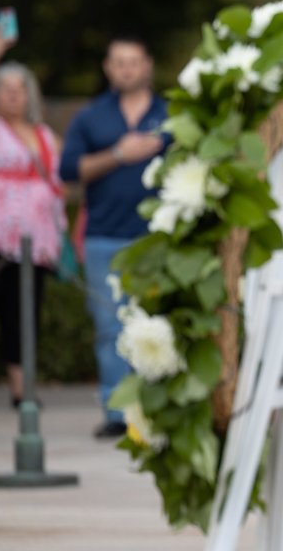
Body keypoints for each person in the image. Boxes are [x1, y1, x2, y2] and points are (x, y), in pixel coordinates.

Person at [60, 36, 167, 438]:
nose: (127, 69)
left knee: (157, 326)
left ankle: (156, 408)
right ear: (108, 68)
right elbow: (68, 171)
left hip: (157, 240)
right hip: (104, 236)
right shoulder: (91, 117)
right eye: (119, 62)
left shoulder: (169, 116)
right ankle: (117, 412)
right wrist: (119, 155)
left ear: (147, 65)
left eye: (134, 62)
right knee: (109, 328)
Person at [0, 35, 68, 409]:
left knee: (22, 312)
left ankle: (22, 389)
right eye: (4, 88)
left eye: (19, 88)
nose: (12, 95)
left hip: (34, 241)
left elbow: (62, 179)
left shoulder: (44, 136)